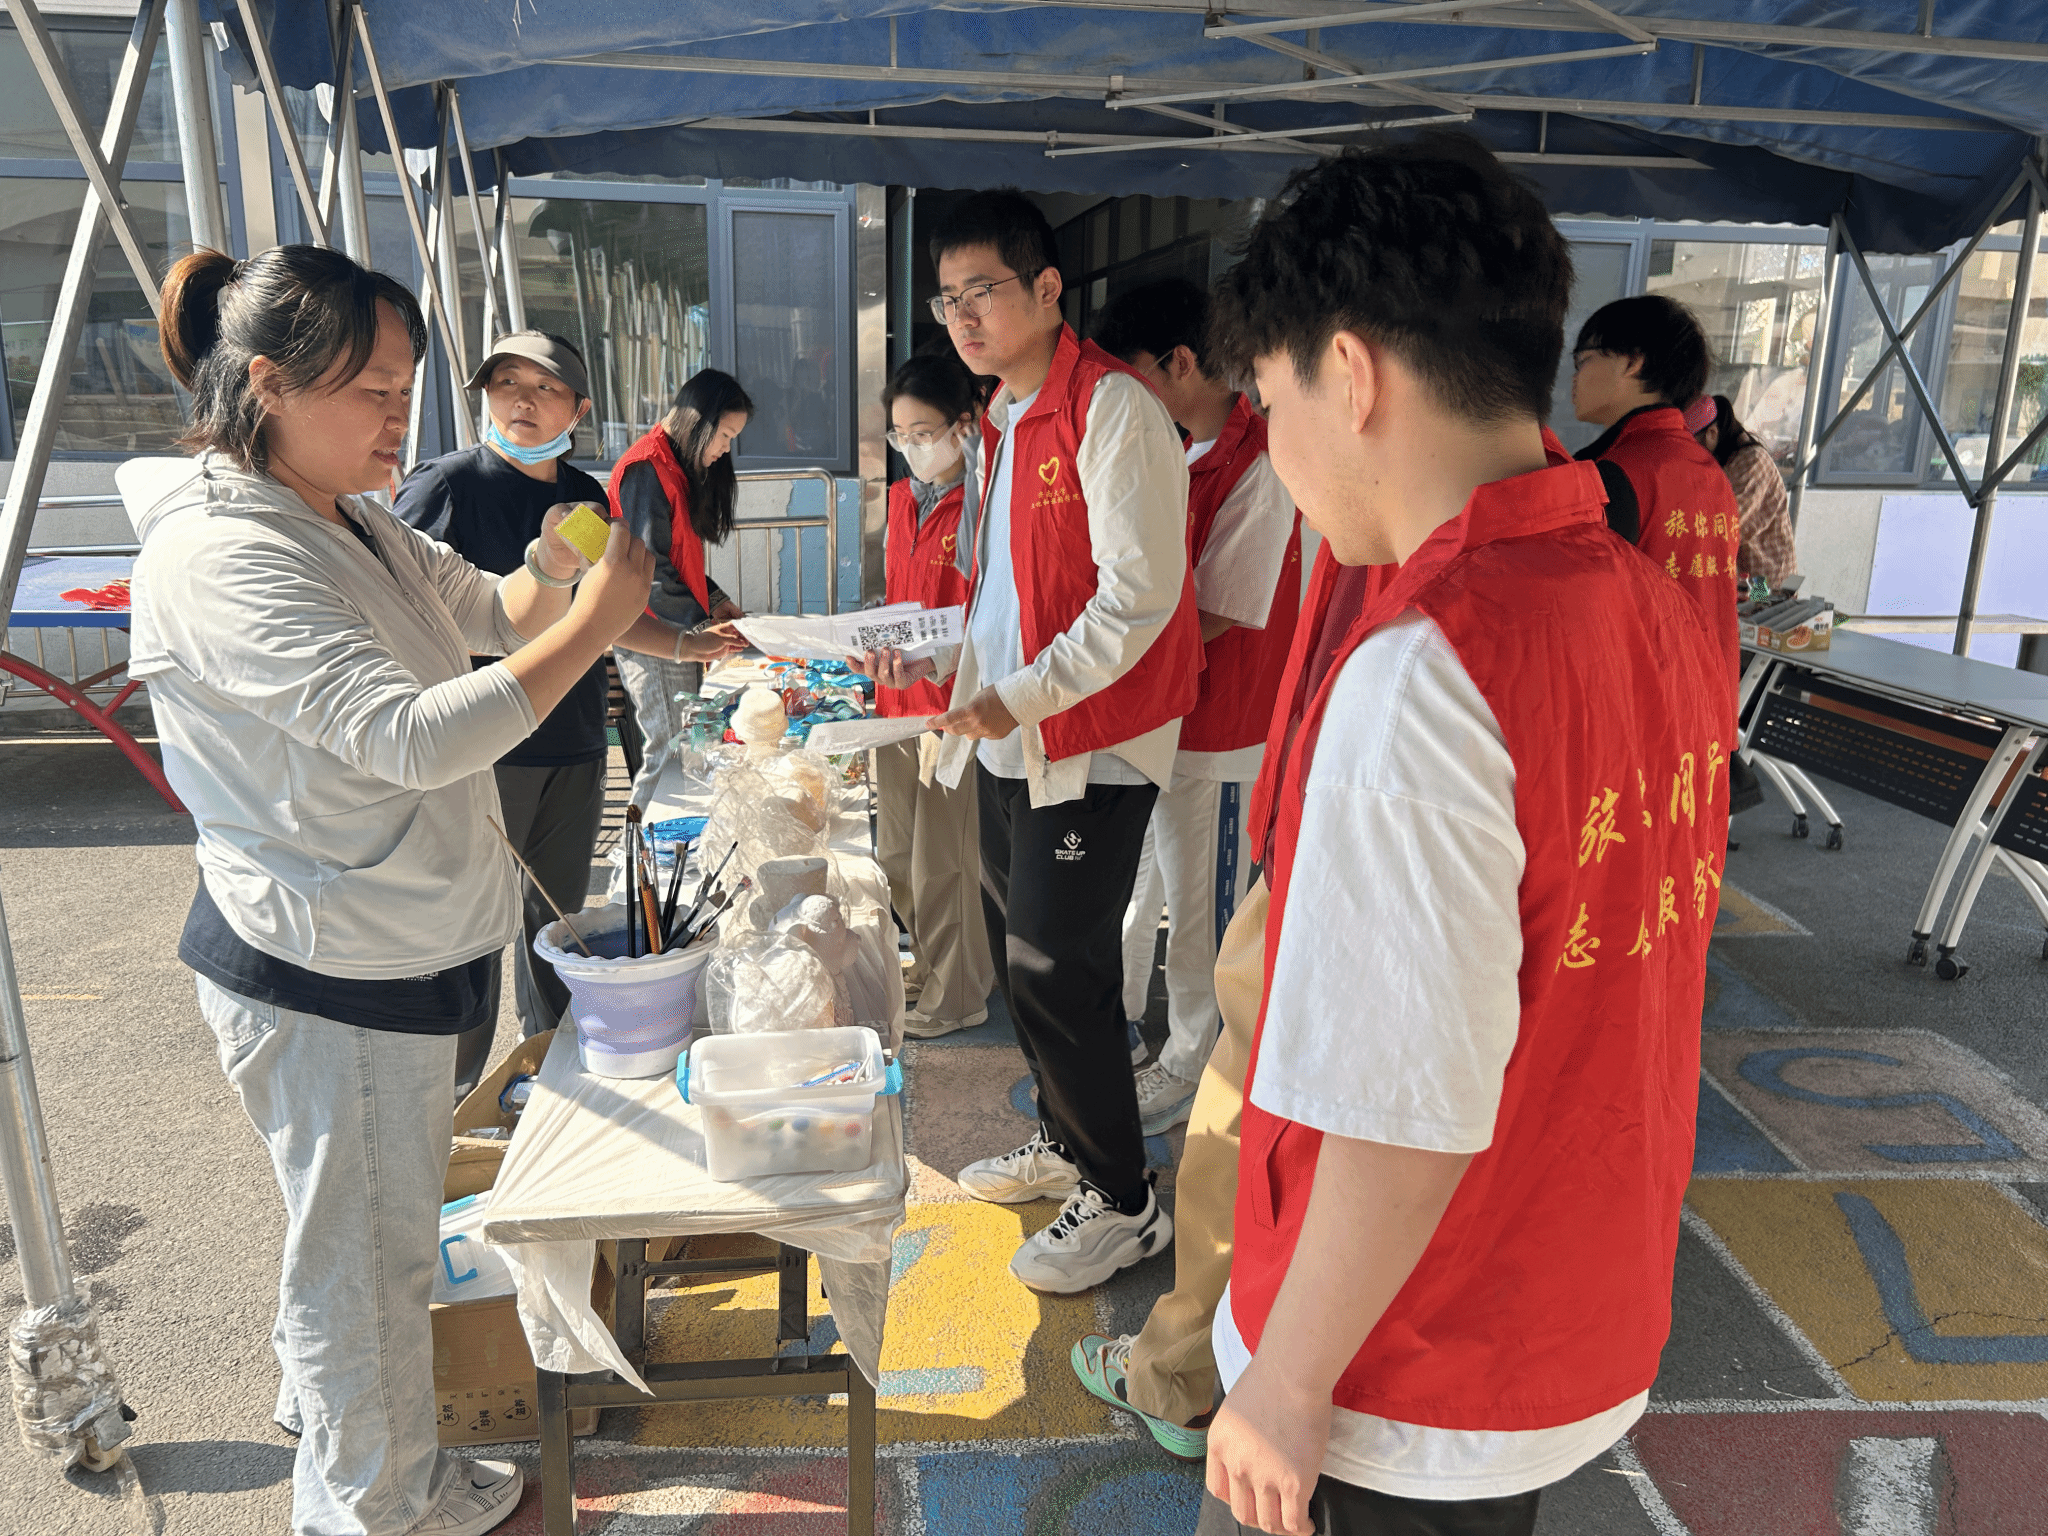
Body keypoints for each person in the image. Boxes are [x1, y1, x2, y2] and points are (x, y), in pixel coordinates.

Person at [1192, 138, 1728, 1536]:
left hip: (1398, 1362)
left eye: (1270, 399)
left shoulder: (1427, 671)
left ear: (1349, 373)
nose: (1275, 448)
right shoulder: (1641, 602)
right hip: (1562, 1293)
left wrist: (1286, 1381)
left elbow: (1400, 1105)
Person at [128, 245, 658, 1536]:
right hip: (327, 970)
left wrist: (556, 573)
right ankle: (376, 1505)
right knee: (362, 1269)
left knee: (367, 1247)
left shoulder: (347, 515)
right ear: (269, 382)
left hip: (385, 945)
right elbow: (411, 736)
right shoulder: (221, 553)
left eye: (405, 387)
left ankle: (369, 1451)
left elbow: (493, 611)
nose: (397, 418)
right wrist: (594, 631)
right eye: (371, 389)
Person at [860, 188, 1201, 1293]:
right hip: (1014, 736)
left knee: (1060, 968)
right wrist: (941, 669)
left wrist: (1018, 697)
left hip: (1091, 737)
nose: (962, 315)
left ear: (1048, 289)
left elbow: (1138, 599)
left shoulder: (1112, 409)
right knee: (1026, 961)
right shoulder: (1004, 420)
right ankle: (1067, 1140)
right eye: (946, 298)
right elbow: (1006, 600)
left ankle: (1124, 1200)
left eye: (983, 291)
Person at [395, 332, 743, 1080]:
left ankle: (551, 1069)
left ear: (579, 409)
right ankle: (456, 1094)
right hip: (484, 750)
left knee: (556, 923)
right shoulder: (446, 486)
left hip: (575, 739)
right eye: (506, 384)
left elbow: (604, 612)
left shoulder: (585, 499)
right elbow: (406, 621)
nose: (522, 401)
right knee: (468, 935)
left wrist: (684, 644)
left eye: (545, 388)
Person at [1092, 277, 1301, 1136]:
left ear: (1180, 363)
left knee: (1204, 916)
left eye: (1131, 377)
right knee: (1154, 890)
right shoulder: (1191, 453)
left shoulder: (1262, 462)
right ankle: (1146, 1038)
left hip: (1223, 731)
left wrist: (1109, 653)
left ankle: (1194, 1063)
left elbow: (1220, 608)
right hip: (1169, 720)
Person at [873, 350, 999, 1038]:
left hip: (956, 704)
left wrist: (934, 663)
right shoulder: (902, 500)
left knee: (942, 863)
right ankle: (929, 962)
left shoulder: (987, 502)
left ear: (963, 424)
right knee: (896, 856)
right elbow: (902, 598)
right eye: (901, 435)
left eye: (925, 433)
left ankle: (959, 994)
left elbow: (988, 611)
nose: (914, 448)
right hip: (896, 704)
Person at [1571, 294, 1743, 687]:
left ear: (1632, 362)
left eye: (1583, 360)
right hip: (1708, 702)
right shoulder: (1709, 471)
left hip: (1642, 702)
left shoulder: (1613, 474)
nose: (1575, 378)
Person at [608, 368, 753, 811]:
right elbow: (651, 574)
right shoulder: (646, 468)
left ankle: (673, 840)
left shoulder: (672, 465)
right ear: (700, 421)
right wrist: (703, 627)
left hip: (676, 630)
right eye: (725, 436)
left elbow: (676, 561)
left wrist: (715, 601)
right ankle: (639, 848)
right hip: (652, 634)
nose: (725, 449)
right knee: (668, 753)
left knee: (684, 746)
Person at [1696, 393, 1797, 588]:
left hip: (1767, 578)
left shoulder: (1753, 461)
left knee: (1760, 607)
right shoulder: (1733, 460)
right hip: (1750, 573)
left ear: (1712, 434)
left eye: (1695, 445)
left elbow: (1730, 522)